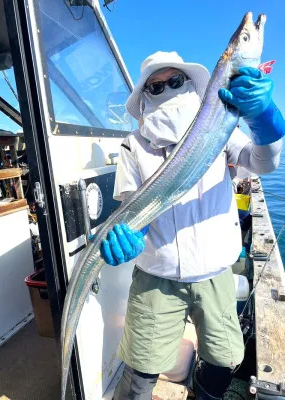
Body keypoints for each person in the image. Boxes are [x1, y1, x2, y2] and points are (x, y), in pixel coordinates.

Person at [100, 51, 285, 400]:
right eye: (155, 87)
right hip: (157, 276)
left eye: (174, 81)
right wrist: (129, 235)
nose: (165, 90)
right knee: (142, 366)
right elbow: (132, 207)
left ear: (190, 84)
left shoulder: (217, 130)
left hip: (214, 272)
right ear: (144, 96)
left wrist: (265, 117)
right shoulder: (133, 145)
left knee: (224, 357)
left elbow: (264, 162)